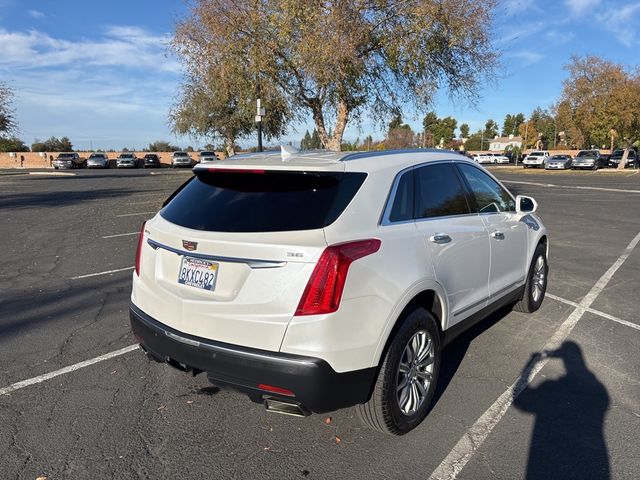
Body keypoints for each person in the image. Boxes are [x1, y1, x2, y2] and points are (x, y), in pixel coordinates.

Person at [513, 341, 610, 480]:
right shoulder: (599, 388)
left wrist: (531, 362)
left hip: (549, 456)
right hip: (590, 455)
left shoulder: (552, 386)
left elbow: (522, 402)